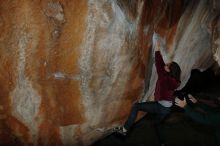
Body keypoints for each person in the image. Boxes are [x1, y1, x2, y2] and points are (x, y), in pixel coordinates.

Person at [114, 33, 181, 141]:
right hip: (165, 108)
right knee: (154, 121)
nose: (167, 64)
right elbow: (161, 65)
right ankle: (126, 130)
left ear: (169, 70)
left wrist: (157, 46)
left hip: (162, 108)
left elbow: (159, 62)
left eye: (168, 65)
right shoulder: (174, 80)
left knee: (139, 109)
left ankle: (126, 130)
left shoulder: (165, 78)